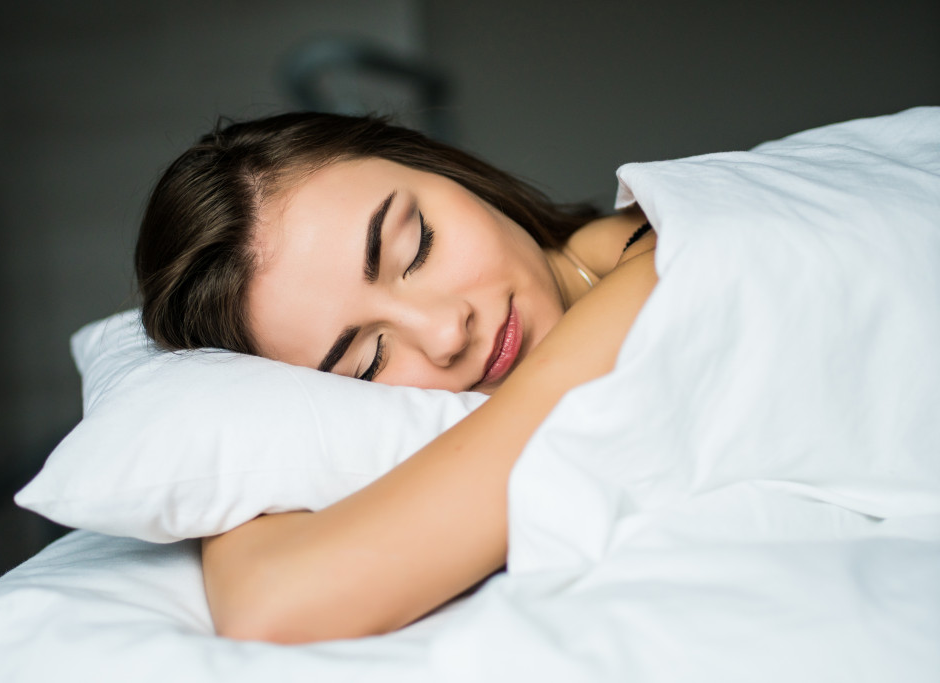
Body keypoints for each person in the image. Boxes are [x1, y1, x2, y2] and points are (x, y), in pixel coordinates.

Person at [135, 112, 659, 643]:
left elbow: (273, 601)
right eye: (368, 360)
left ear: (444, 168)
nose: (445, 332)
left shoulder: (663, 271)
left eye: (418, 248)